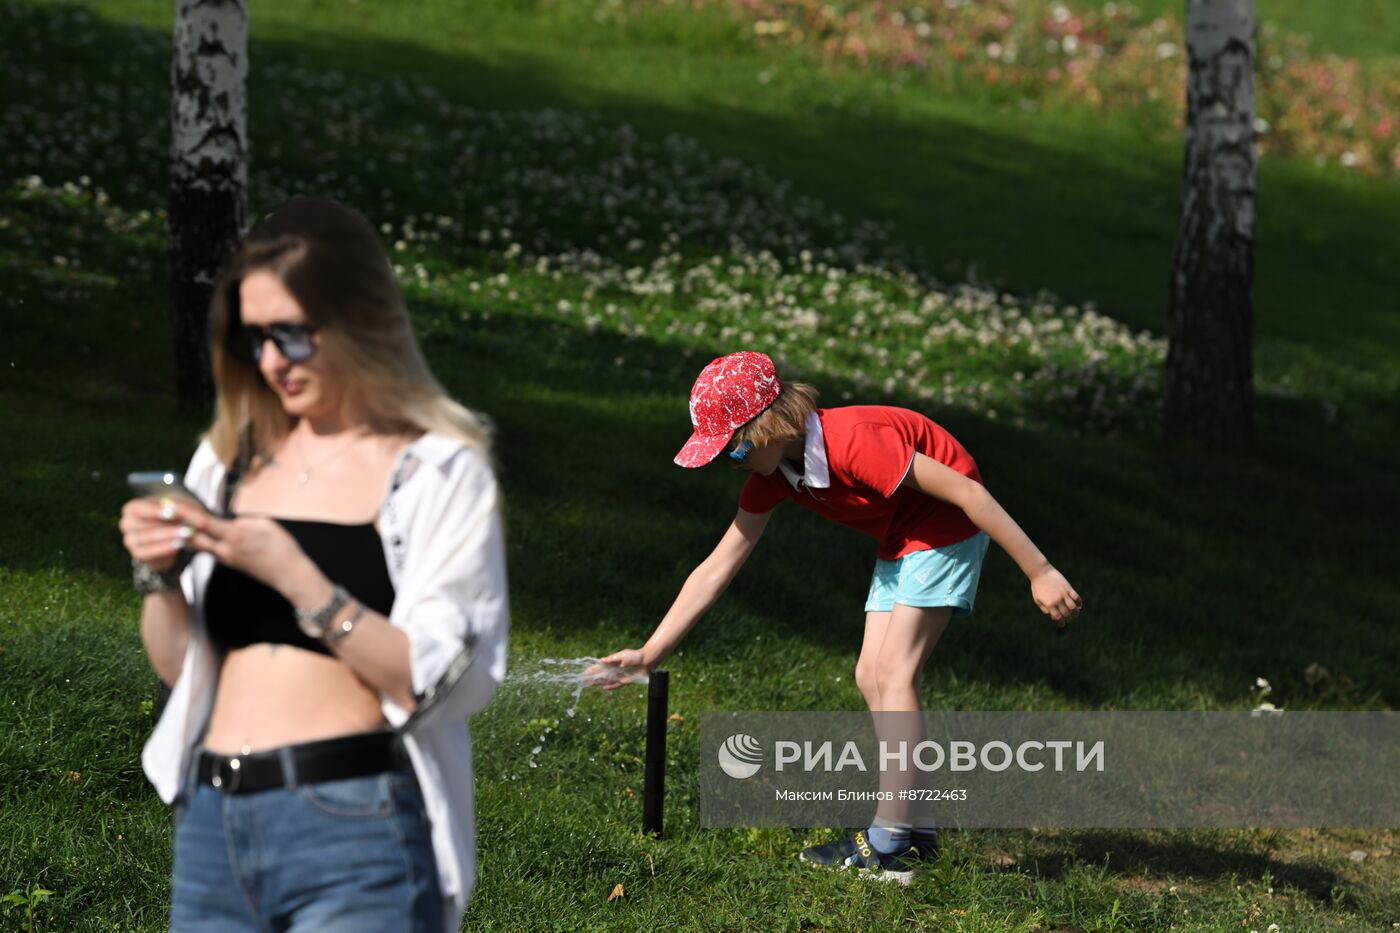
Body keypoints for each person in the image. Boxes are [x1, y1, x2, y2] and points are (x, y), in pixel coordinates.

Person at [119, 197, 508, 931]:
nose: (269, 362)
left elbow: (447, 678)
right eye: (254, 337)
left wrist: (298, 576)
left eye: (291, 335)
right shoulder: (230, 460)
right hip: (213, 818)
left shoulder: (437, 469)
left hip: (354, 816)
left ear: (359, 321)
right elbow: (179, 668)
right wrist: (159, 573)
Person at [594, 350, 1080, 883]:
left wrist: (1040, 570)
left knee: (896, 674)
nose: (726, 464)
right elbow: (717, 566)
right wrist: (650, 653)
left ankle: (889, 843)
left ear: (770, 426)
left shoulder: (857, 443)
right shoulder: (775, 474)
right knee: (869, 675)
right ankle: (916, 835)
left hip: (946, 528)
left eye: (731, 451)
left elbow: (968, 492)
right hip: (901, 535)